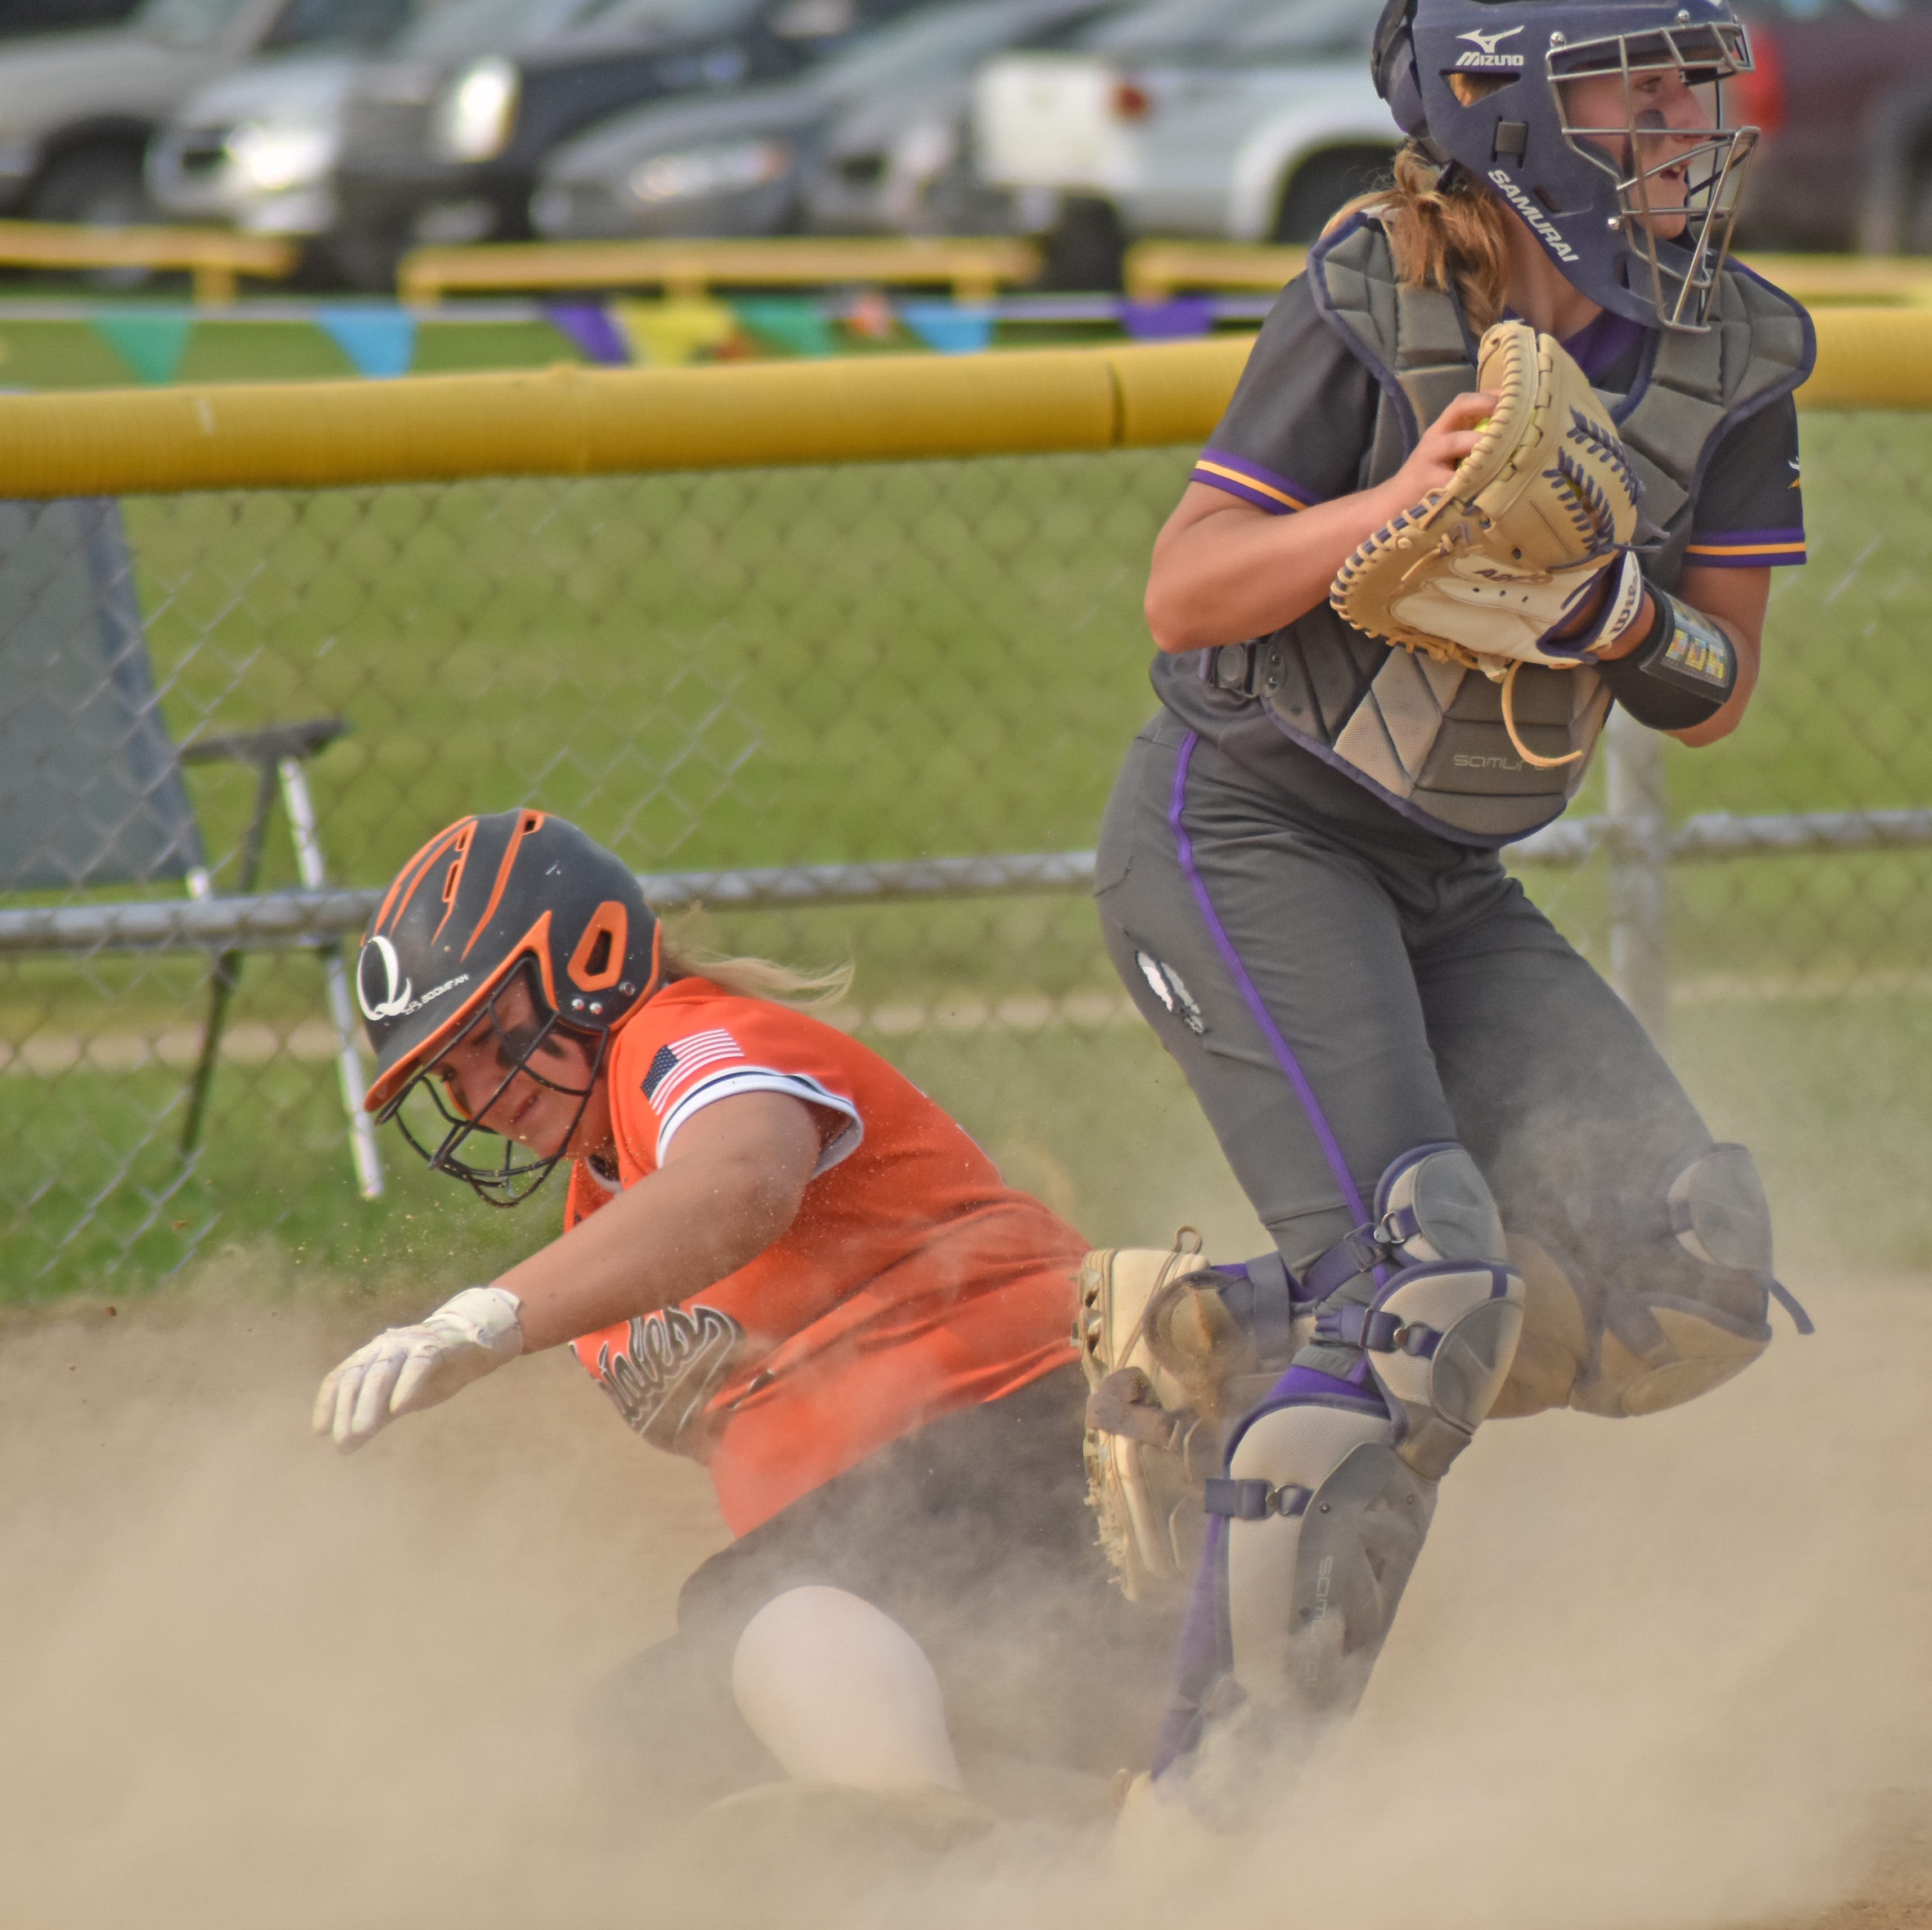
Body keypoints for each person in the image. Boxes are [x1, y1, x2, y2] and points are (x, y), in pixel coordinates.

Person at [1094, 0, 1815, 1796]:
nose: (1681, 117)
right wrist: (1395, 506)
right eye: (1629, 82)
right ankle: (1201, 1803)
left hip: (1447, 877)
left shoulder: (1726, 343)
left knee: (1687, 1278)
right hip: (1249, 833)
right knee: (1422, 1299)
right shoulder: (1381, 287)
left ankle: (1212, 1337)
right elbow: (1188, 593)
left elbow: (1716, 693)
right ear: (1500, 104)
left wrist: (1628, 618)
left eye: (1686, 80)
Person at [312, 810, 1166, 1824]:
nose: (485, 1094)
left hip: (1050, 1449)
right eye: (453, 1077)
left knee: (752, 1602)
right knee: (637, 1739)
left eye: (495, 1039)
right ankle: (1094, 1816)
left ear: (590, 962)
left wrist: (491, 1315)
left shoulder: (679, 1039)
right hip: (957, 1572)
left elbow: (745, 1179)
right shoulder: (603, 1213)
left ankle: (936, 1839)